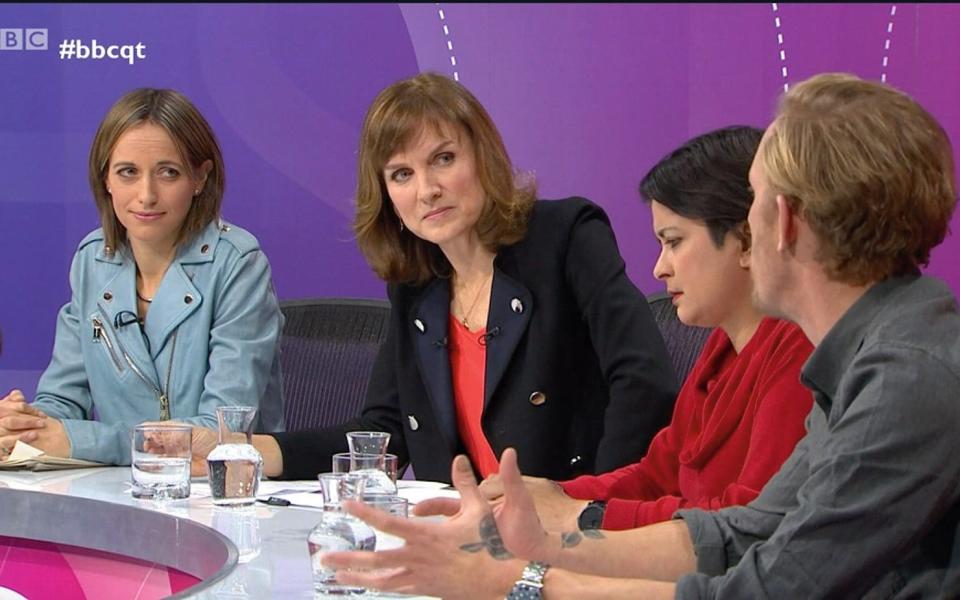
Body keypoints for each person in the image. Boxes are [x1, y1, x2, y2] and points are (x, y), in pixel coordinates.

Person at [323, 72, 960, 599]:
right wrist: (551, 538)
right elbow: (747, 533)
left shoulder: (906, 374)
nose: (660, 265)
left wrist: (524, 581)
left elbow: (769, 588)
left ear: (782, 222)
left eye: (755, 198)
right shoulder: (870, 356)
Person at [212, 72, 678, 483]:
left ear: (483, 157)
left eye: (443, 159)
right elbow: (386, 431)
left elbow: (642, 379)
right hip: (466, 536)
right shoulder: (417, 288)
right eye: (401, 174)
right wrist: (253, 451)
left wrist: (588, 506)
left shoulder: (565, 237)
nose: (427, 190)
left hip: (570, 530)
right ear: (388, 197)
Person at [479, 126, 814, 532]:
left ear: (745, 239)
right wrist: (554, 494)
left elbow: (749, 519)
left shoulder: (799, 352)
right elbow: (656, 476)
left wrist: (583, 516)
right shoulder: (721, 349)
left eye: (673, 242)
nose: (660, 268)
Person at [0, 88, 285, 465]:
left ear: (200, 177)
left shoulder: (237, 264)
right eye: (128, 172)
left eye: (168, 172)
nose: (146, 195)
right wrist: (25, 426)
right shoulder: (93, 259)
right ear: (106, 180)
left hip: (217, 494)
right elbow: (63, 400)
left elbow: (218, 432)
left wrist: (81, 441)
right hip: (121, 491)